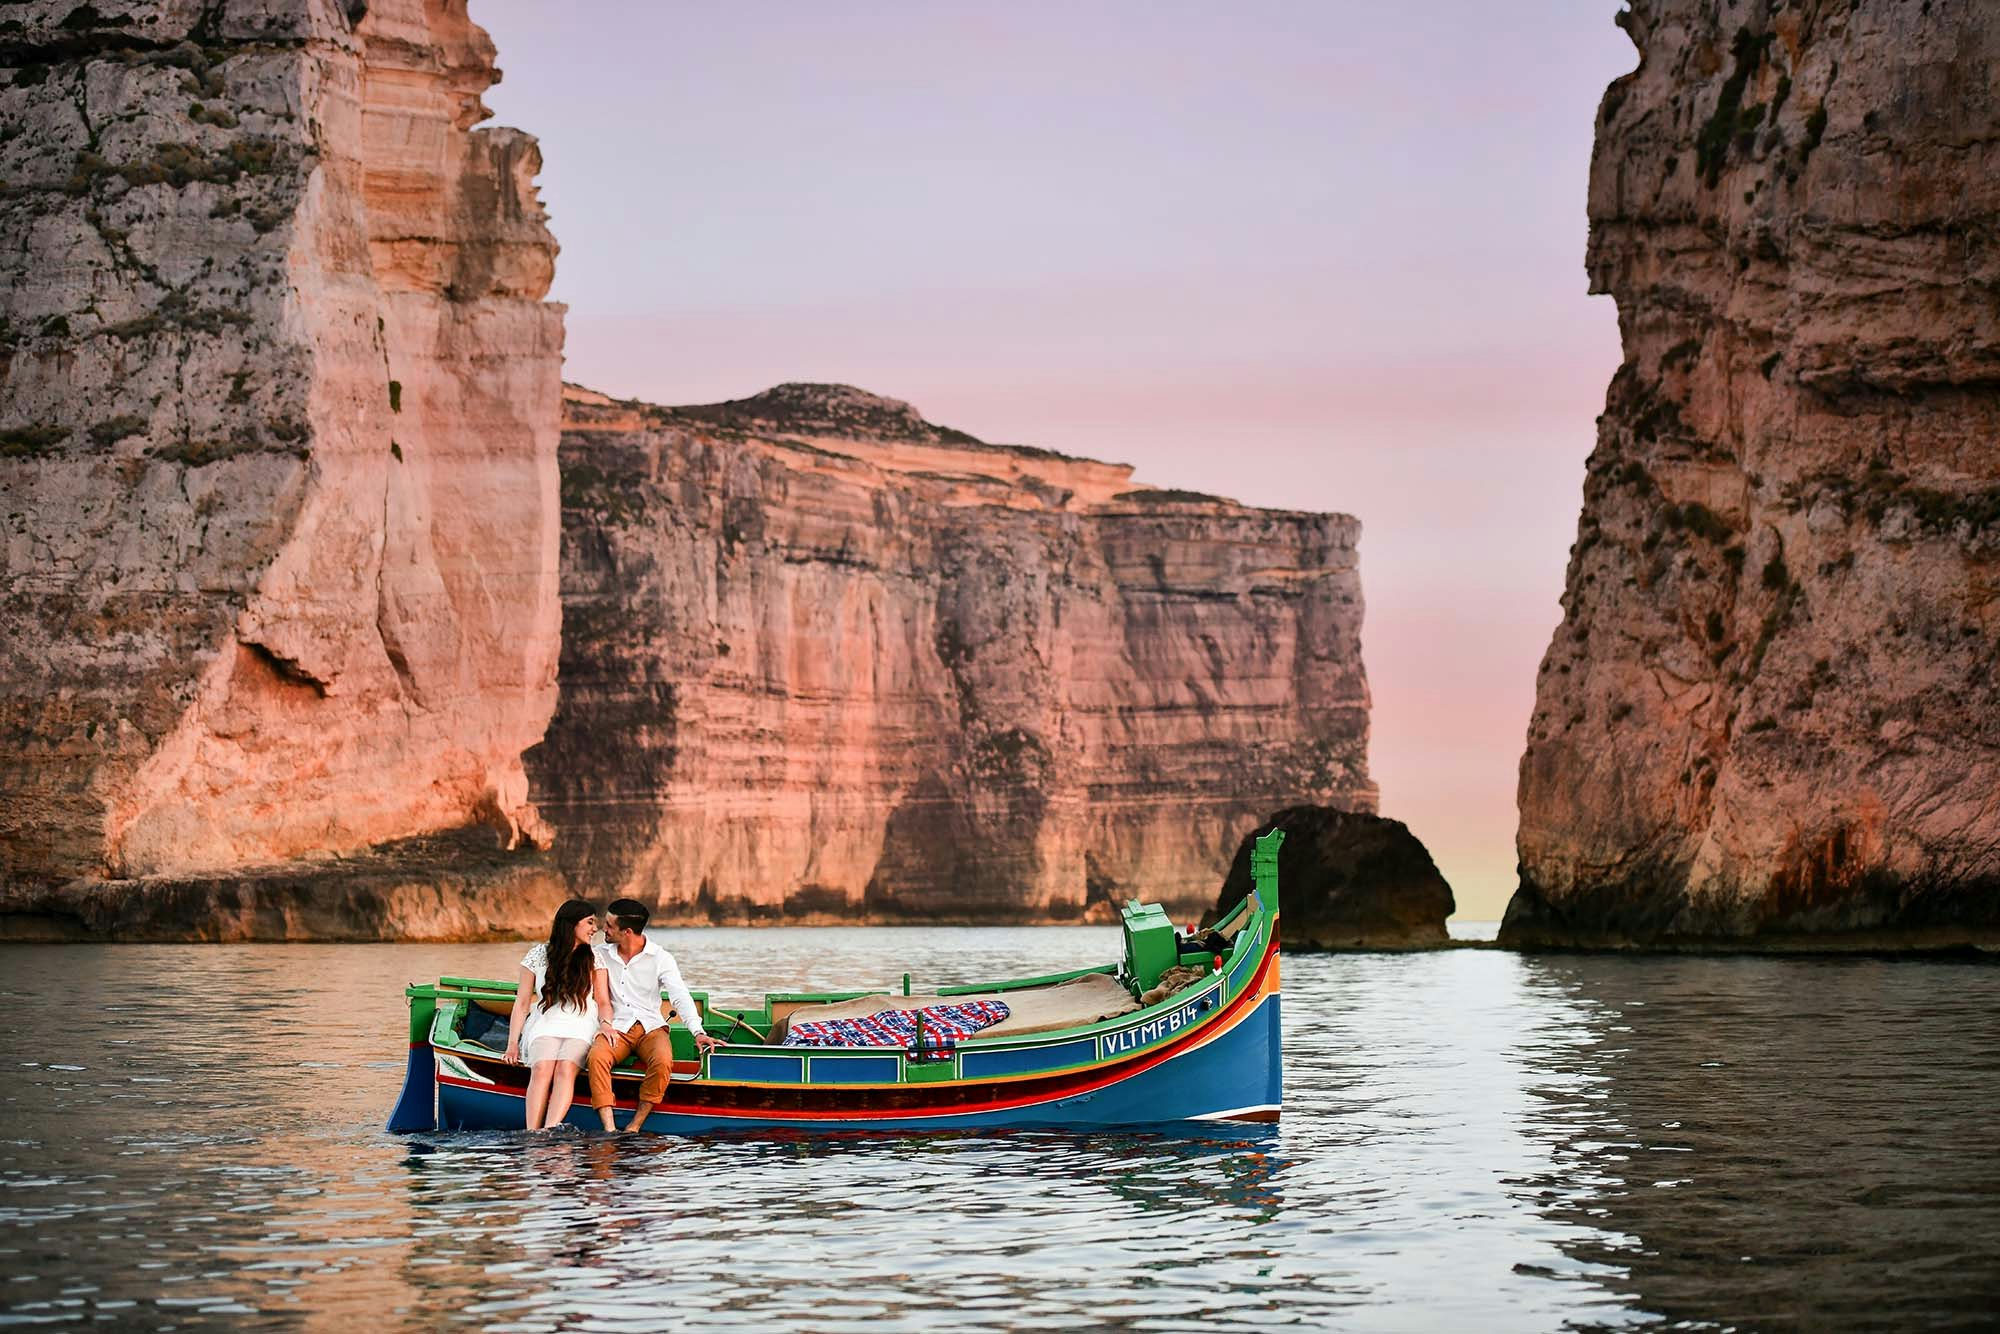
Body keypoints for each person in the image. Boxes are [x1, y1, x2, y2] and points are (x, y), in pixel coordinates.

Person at [588, 898, 722, 1133]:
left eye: (609, 926)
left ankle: (634, 1126)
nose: (603, 930)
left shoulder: (661, 958)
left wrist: (698, 1032)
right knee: (597, 1057)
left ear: (627, 931)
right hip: (615, 1026)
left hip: (651, 1027)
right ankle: (609, 1129)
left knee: (662, 1061)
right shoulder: (599, 954)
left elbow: (680, 996)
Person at [503, 898, 612, 1132]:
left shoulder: (594, 958)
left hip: (581, 1023)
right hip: (545, 1022)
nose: (595, 929)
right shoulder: (538, 955)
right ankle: (533, 1132)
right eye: (590, 922)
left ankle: (549, 1130)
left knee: (564, 1068)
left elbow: (603, 1001)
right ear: (570, 924)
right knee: (542, 1068)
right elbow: (522, 1003)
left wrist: (606, 1025)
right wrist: (512, 1044)